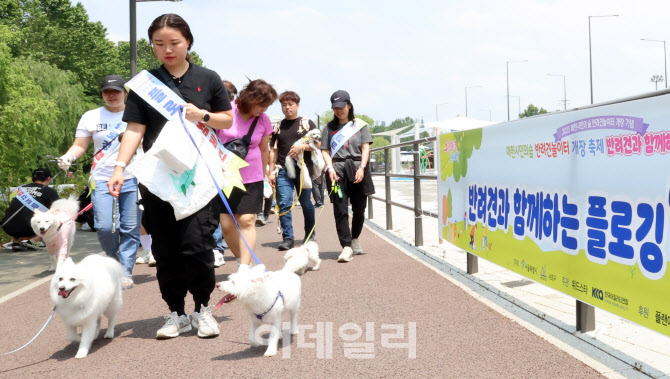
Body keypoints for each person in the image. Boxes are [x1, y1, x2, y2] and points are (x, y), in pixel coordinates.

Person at [108, 13, 233, 339]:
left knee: (196, 246)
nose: (167, 49)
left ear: (188, 42)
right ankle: (175, 312)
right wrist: (120, 167)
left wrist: (202, 114)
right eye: (159, 44)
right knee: (165, 250)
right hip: (158, 179)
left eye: (174, 43)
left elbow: (227, 121)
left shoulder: (209, 77)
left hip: (198, 179)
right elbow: (134, 129)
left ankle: (203, 308)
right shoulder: (145, 84)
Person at [59, 75, 140, 290]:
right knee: (105, 227)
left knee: (130, 227)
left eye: (116, 91)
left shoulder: (137, 113)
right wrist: (69, 157)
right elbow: (80, 145)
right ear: (102, 94)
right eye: (107, 92)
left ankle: (125, 271)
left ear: (125, 93)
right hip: (102, 178)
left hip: (133, 176)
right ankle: (112, 262)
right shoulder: (91, 116)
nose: (111, 95)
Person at [216, 79, 276, 269]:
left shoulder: (263, 120)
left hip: (253, 174)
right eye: (262, 105)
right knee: (226, 223)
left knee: (247, 220)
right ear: (250, 99)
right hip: (225, 173)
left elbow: (264, 148)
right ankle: (241, 259)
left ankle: (243, 267)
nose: (264, 110)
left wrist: (266, 172)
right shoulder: (226, 110)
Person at [321, 90, 375, 262]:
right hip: (337, 170)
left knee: (359, 209)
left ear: (349, 106)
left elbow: (366, 148)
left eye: (341, 107)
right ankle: (345, 246)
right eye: (335, 108)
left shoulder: (360, 125)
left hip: (358, 167)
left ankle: (355, 238)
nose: (339, 111)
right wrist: (330, 168)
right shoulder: (329, 128)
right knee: (340, 209)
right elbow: (325, 150)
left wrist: (363, 168)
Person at [268, 91, 319, 250]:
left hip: (303, 170)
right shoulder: (278, 126)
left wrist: (301, 147)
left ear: (297, 105)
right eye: (284, 105)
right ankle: (288, 238)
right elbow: (273, 150)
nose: (287, 107)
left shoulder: (306, 123)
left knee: (305, 203)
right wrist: (271, 171)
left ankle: (310, 235)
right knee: (283, 203)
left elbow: (318, 145)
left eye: (290, 104)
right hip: (283, 170)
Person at [1, 168, 59, 251]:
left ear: (33, 178)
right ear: (48, 178)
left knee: (22, 212)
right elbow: (56, 210)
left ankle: (16, 241)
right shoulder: (49, 191)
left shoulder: (22, 188)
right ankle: (35, 239)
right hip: (29, 228)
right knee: (53, 217)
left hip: (8, 227)